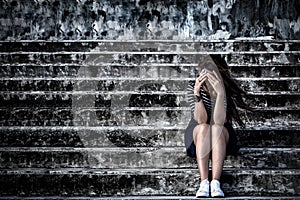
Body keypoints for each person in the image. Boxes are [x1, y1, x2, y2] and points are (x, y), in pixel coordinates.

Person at [185, 54, 253, 197]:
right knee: (205, 127)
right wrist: (197, 94)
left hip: (221, 132)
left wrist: (220, 93)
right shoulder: (194, 86)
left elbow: (219, 121)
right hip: (199, 132)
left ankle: (215, 183)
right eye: (205, 73)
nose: (208, 79)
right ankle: (204, 183)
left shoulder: (227, 88)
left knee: (215, 128)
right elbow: (201, 119)